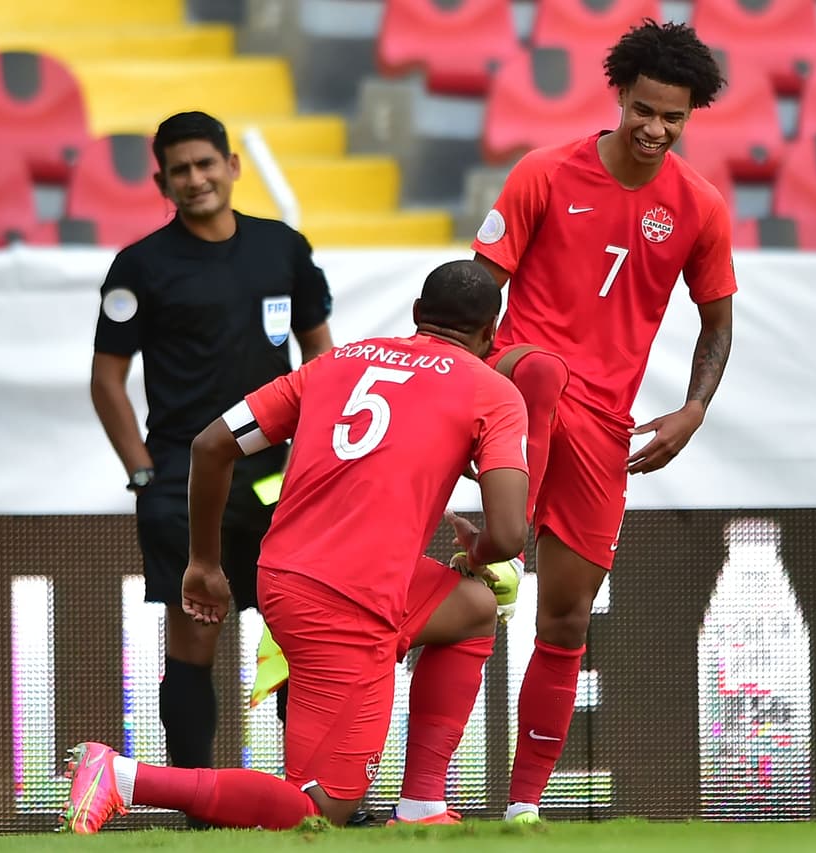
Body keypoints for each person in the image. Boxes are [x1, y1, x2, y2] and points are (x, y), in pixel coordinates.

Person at [61, 259, 530, 833]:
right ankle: (122, 776)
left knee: (474, 609)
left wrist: (203, 563)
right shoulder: (493, 391)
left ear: (416, 313)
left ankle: (422, 809)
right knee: (321, 808)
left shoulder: (338, 361)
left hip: (286, 576)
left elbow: (210, 445)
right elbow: (509, 535)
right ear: (490, 333)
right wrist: (478, 551)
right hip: (349, 602)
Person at [458, 19, 737, 822]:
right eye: (644, 109)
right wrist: (466, 397)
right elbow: (476, 299)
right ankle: (504, 536)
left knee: (568, 616)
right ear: (619, 95)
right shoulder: (543, 173)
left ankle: (523, 807)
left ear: (689, 116)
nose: (654, 128)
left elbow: (717, 324)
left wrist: (693, 408)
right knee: (541, 370)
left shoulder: (699, 207)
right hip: (516, 382)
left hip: (603, 424)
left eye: (672, 117)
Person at [89, 110, 334, 778]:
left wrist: (315, 451)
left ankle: (316, 793)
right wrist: (145, 475)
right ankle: (196, 806)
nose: (195, 179)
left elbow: (321, 355)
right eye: (180, 171)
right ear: (161, 183)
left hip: (280, 476)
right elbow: (107, 381)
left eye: (205, 164)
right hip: (184, 482)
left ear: (232, 166)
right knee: (194, 641)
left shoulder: (283, 247)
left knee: (299, 639)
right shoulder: (139, 266)